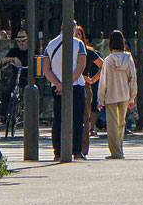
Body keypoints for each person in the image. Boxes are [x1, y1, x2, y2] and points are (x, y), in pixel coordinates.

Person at [44, 22, 90, 159]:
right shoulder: (79, 44)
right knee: (77, 119)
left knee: (58, 119)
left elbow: (46, 69)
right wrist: (68, 83)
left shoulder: (50, 45)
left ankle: (57, 151)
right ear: (74, 29)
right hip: (76, 86)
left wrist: (58, 84)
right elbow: (81, 67)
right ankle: (77, 151)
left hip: (57, 88)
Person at [99, 33, 137, 159]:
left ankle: (115, 152)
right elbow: (133, 79)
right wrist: (132, 97)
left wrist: (101, 98)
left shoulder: (108, 60)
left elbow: (103, 80)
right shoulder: (128, 59)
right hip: (124, 94)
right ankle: (120, 149)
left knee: (112, 125)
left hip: (111, 95)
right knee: (121, 123)